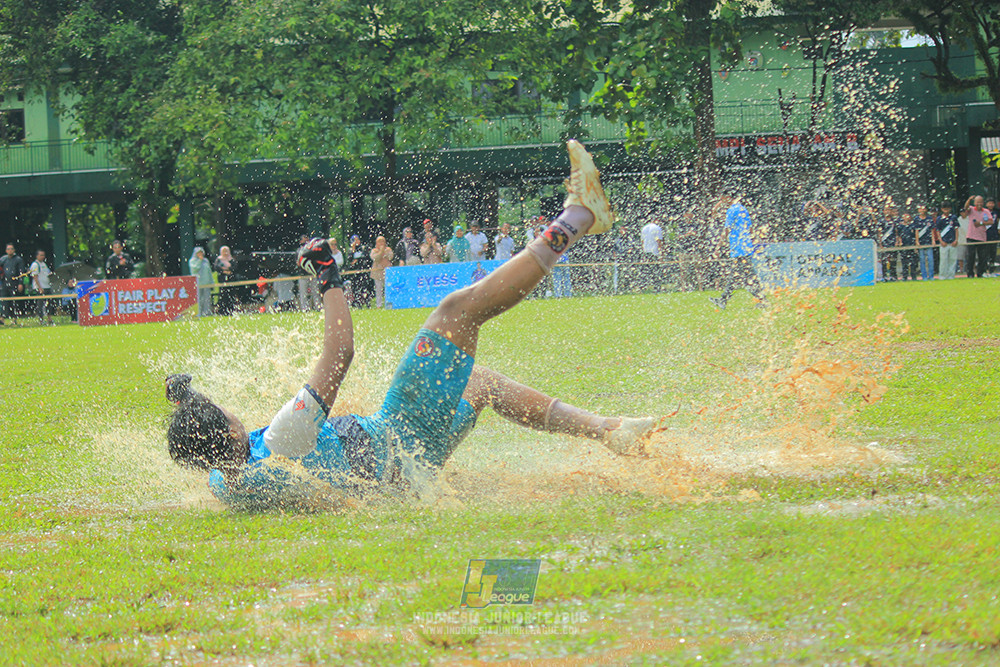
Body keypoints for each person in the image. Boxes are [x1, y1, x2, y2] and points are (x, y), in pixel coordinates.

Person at [165, 140, 656, 509]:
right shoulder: (282, 440)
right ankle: (578, 217)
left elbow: (209, 440)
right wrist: (328, 274)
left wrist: (185, 401)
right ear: (230, 434)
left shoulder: (224, 479)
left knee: (479, 382)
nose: (231, 412)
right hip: (400, 438)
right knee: (456, 310)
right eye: (222, 413)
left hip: (401, 467)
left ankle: (611, 431)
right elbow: (340, 354)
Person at [708, 194, 766, 310]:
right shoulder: (742, 208)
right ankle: (724, 299)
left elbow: (726, 229)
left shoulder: (731, 210)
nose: (722, 201)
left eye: (722, 199)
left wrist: (718, 248)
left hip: (739, 248)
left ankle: (763, 300)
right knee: (741, 275)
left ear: (728, 197)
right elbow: (750, 228)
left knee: (743, 276)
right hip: (745, 247)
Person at [963, 195, 993, 278]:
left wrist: (981, 223)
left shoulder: (986, 211)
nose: (979, 204)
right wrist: (969, 199)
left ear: (983, 203)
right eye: (977, 202)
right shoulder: (971, 209)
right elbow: (966, 207)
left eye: (980, 202)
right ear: (974, 203)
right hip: (971, 236)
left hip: (982, 237)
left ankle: (980, 273)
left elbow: (991, 222)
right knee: (970, 256)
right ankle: (970, 274)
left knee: (982, 257)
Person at [0, 242, 26, 325]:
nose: (10, 250)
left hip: (15, 283)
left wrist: (20, 283)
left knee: (15, 301)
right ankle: (2, 318)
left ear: (14, 250)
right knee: (3, 301)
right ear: (6, 250)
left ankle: (14, 319)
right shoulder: (3, 259)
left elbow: (21, 272)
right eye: (8, 249)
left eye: (11, 249)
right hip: (5, 283)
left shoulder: (18, 259)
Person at [913, 205, 939, 282]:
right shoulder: (916, 219)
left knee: (930, 259)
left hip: (928, 241)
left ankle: (931, 276)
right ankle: (924, 276)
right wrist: (917, 241)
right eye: (920, 209)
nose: (922, 210)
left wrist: (933, 240)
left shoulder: (929, 219)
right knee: (922, 260)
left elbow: (932, 230)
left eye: (923, 209)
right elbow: (916, 231)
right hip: (921, 242)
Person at [346, 235, 373, 307]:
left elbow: (366, 258)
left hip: (363, 271)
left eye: (357, 240)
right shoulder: (350, 250)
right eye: (354, 240)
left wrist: (357, 260)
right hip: (354, 272)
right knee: (355, 288)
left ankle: (367, 302)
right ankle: (357, 303)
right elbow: (349, 260)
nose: (356, 242)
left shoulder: (363, 248)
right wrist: (353, 249)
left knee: (365, 287)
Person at [296, 235, 322, 311]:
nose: (306, 242)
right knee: (303, 293)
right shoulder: (299, 251)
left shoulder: (312, 250)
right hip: (303, 275)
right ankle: (305, 308)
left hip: (313, 274)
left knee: (316, 292)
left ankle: (318, 307)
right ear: (301, 241)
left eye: (307, 240)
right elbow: (298, 263)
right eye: (304, 240)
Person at [29, 249, 53, 325]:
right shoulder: (35, 264)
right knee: (40, 304)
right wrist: (40, 287)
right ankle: (41, 320)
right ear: (37, 256)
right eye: (41, 255)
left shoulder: (44, 264)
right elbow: (35, 276)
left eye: (43, 255)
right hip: (40, 287)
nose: (43, 257)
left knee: (49, 303)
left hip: (47, 286)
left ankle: (49, 318)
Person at [876, 206, 900, 282]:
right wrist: (880, 243)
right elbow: (879, 233)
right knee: (884, 261)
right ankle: (885, 276)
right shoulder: (881, 221)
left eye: (889, 210)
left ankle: (893, 276)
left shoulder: (894, 221)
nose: (887, 212)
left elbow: (897, 232)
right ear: (883, 211)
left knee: (893, 260)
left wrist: (897, 241)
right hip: (884, 242)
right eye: (886, 210)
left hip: (892, 242)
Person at [369, 235, 394, 308]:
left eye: (383, 241)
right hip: (377, 272)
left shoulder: (388, 250)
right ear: (376, 243)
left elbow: (390, 257)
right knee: (378, 289)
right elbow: (375, 258)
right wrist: (381, 252)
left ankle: (389, 304)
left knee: (388, 288)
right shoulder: (374, 251)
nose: (381, 243)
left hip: (387, 272)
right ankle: (379, 305)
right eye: (379, 241)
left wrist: (384, 251)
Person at [188, 246, 214, 317]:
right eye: (198, 253)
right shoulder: (192, 261)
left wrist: (211, 282)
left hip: (206, 282)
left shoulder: (206, 261)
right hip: (198, 283)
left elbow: (209, 271)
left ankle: (206, 312)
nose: (200, 254)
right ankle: (199, 312)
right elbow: (195, 269)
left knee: (207, 298)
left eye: (201, 253)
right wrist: (200, 260)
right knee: (199, 298)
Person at [936, 203, 959, 279]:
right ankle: (942, 276)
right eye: (944, 209)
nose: (946, 210)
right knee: (943, 260)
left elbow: (956, 229)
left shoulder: (953, 217)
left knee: (952, 260)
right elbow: (938, 231)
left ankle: (951, 276)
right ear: (942, 209)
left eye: (947, 208)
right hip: (944, 242)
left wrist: (956, 240)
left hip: (952, 242)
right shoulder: (939, 218)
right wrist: (941, 241)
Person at [213, 246, 239, 315]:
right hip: (222, 279)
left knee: (231, 294)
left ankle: (232, 310)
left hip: (231, 280)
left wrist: (229, 270)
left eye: (226, 251)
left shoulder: (231, 259)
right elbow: (216, 267)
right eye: (224, 251)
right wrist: (223, 271)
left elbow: (235, 267)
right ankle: (222, 311)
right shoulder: (219, 259)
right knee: (223, 295)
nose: (225, 253)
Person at [639, 218, 663, 289]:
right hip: (654, 251)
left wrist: (643, 251)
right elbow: (659, 241)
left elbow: (642, 241)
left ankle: (643, 286)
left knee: (646, 270)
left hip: (646, 251)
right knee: (656, 270)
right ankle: (657, 287)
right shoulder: (657, 228)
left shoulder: (644, 228)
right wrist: (661, 253)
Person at [898, 212, 918, 281]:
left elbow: (915, 234)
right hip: (903, 246)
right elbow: (898, 235)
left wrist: (916, 244)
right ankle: (905, 276)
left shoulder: (912, 226)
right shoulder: (900, 226)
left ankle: (914, 276)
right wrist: (899, 242)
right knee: (904, 262)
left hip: (911, 245)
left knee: (913, 262)